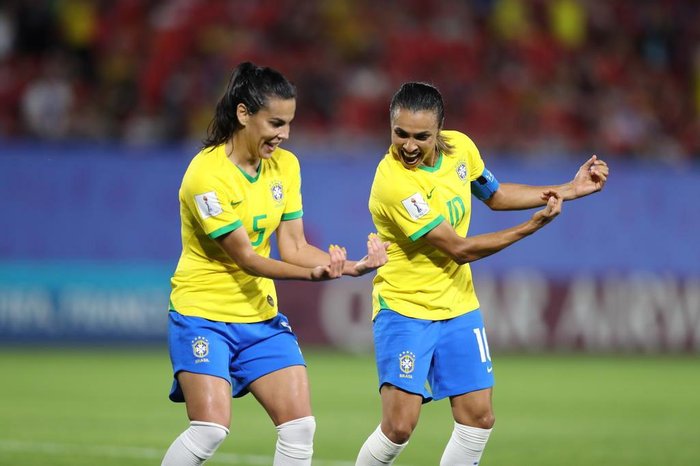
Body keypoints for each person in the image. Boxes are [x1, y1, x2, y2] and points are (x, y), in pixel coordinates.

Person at [355, 82, 609, 466]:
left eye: (421, 137)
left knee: (478, 418)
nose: (408, 145)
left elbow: (496, 195)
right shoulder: (393, 183)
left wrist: (569, 189)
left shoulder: (461, 148)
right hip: (406, 309)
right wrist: (531, 226)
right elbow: (458, 249)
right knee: (399, 427)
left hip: (458, 307)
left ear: (439, 131)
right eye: (400, 134)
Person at [161, 62, 388, 466]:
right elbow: (247, 258)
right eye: (275, 122)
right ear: (244, 113)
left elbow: (295, 246)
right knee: (210, 429)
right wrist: (311, 274)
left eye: (289, 123)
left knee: (300, 427)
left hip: (258, 317)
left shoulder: (286, 165)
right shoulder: (206, 176)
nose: (283, 134)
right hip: (202, 315)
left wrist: (350, 266)